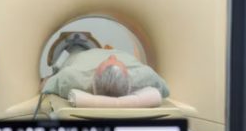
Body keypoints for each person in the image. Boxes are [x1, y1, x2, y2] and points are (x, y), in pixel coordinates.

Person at [41, 47, 170, 108]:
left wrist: (46, 79)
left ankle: (76, 47)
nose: (112, 56)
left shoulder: (71, 77)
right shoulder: (145, 77)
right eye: (114, 60)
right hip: (117, 50)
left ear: (94, 76)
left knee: (76, 50)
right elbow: (165, 90)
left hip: (82, 54)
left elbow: (46, 86)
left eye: (107, 60)